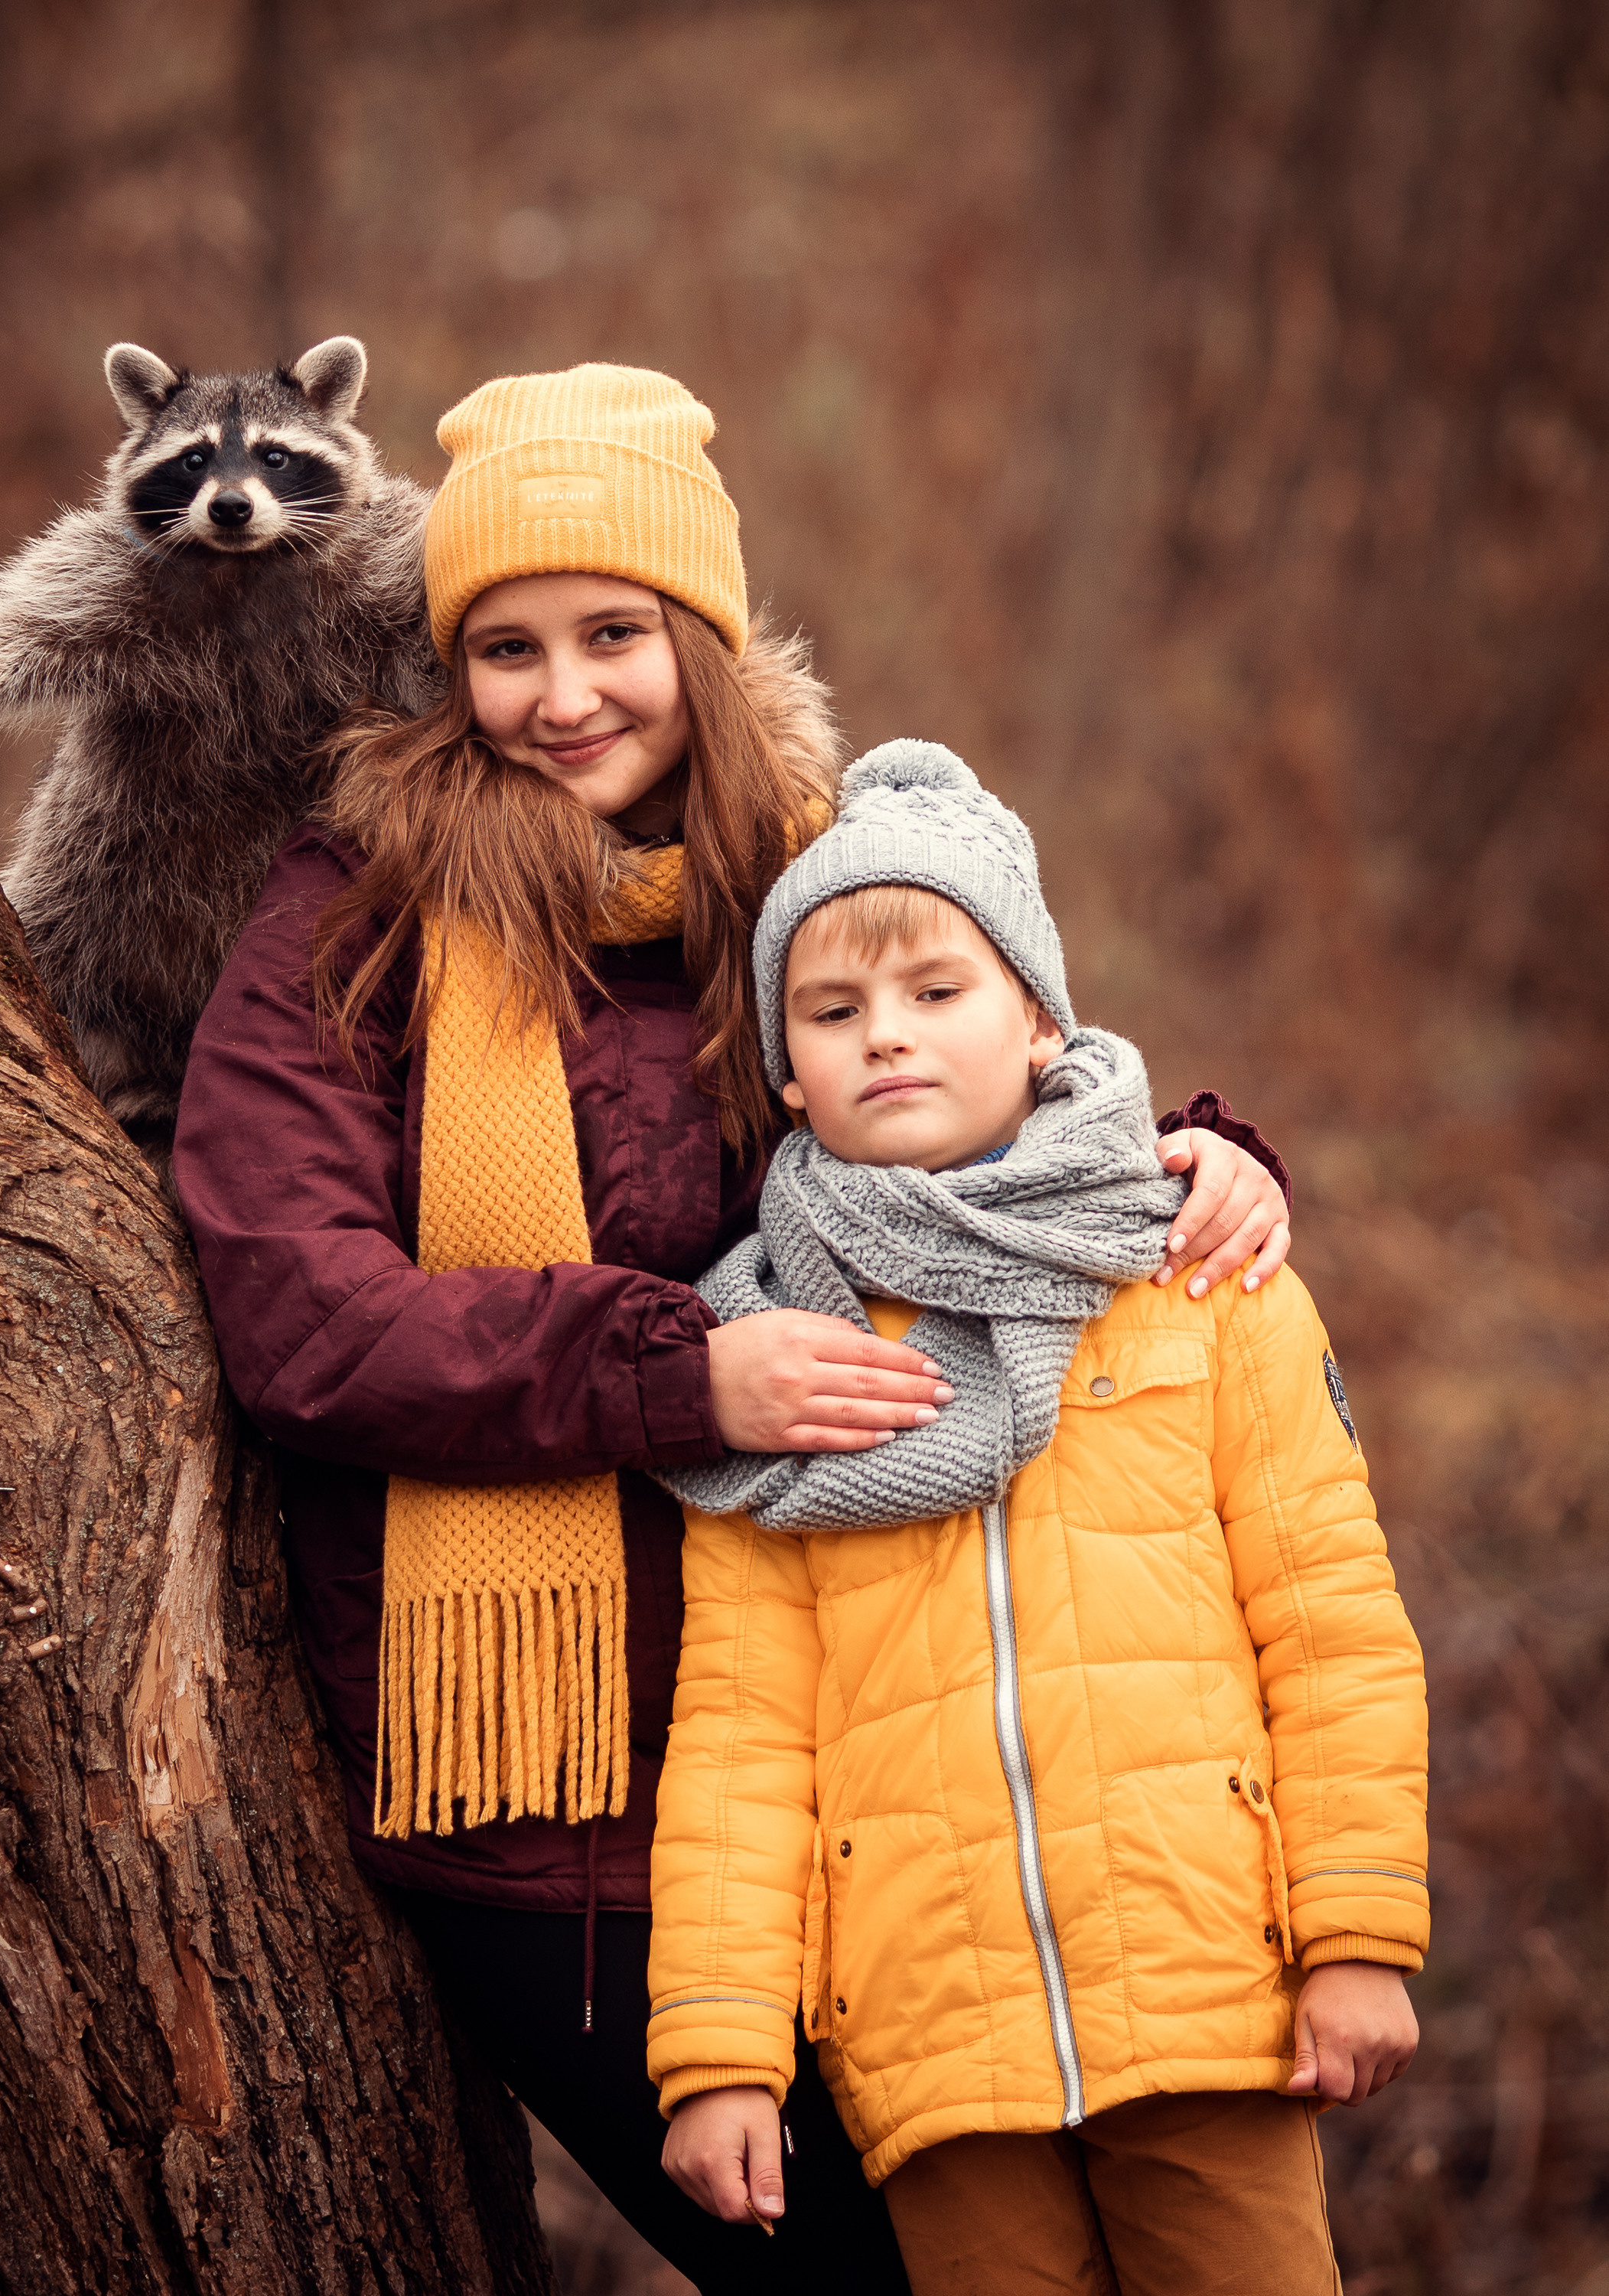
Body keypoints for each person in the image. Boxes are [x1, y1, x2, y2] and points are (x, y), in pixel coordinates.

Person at [172, 366, 1296, 2291]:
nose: (563, 694)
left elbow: (981, 1085)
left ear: (696, 636)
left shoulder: (811, 875)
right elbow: (298, 1313)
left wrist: (1195, 1158)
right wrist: (674, 1372)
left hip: (872, 1730)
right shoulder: (346, 916)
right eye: (505, 647)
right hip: (553, 1798)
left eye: (614, 633)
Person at [646, 739, 1428, 2295]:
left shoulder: (1194, 1280)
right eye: (833, 1011)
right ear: (786, 1071)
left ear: (1041, 1022)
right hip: (932, 2037)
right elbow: (740, 1737)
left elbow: (1329, 1627)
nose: (886, 1037)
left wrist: (1353, 1937)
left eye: (937, 992)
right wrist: (719, 2050)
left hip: (1213, 1990)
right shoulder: (786, 1364)